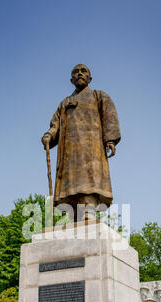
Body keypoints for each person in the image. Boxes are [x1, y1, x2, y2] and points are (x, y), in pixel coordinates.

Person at [41, 64, 121, 221]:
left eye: (83, 71)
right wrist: (49, 135)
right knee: (70, 181)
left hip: (92, 147)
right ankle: (74, 215)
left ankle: (89, 210)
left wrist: (110, 139)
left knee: (89, 179)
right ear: (71, 80)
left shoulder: (99, 96)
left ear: (90, 78)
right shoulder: (65, 103)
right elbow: (55, 124)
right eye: (75, 72)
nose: (79, 74)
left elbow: (109, 117)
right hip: (69, 150)